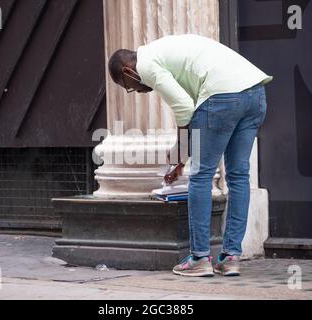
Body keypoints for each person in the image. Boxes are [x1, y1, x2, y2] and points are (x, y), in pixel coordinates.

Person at [108, 34, 272, 277]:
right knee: (238, 176)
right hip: (254, 94)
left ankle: (199, 257)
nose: (137, 92)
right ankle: (231, 258)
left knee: (200, 176)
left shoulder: (147, 65)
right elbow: (190, 108)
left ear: (128, 71)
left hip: (223, 96)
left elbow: (185, 109)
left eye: (128, 87)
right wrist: (180, 157)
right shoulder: (163, 51)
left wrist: (181, 155)